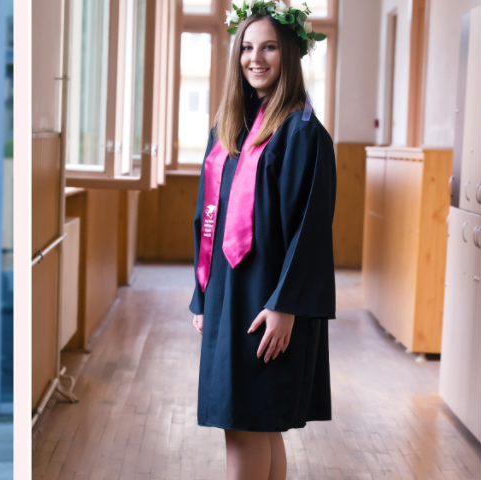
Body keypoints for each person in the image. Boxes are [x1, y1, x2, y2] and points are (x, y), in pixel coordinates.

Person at [189, 2, 335, 479]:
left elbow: (310, 230)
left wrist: (285, 304)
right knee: (257, 423)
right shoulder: (229, 128)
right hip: (229, 293)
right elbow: (208, 214)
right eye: (247, 47)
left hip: (268, 300)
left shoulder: (302, 132)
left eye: (269, 46)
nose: (256, 58)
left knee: (246, 420)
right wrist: (202, 294)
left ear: (289, 53)